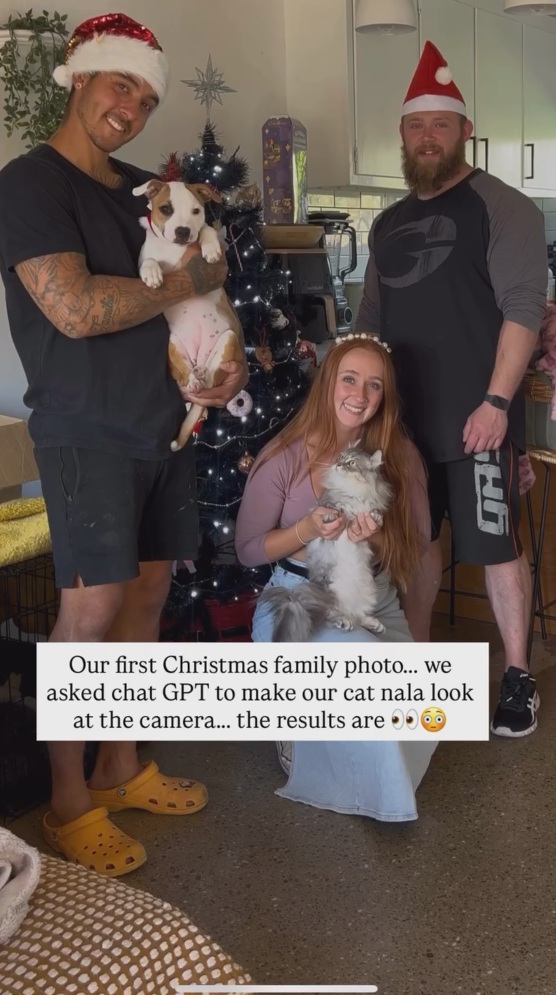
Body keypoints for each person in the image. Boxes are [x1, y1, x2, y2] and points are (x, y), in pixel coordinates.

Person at [0, 13, 248, 876]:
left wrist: (227, 363)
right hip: (86, 430)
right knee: (90, 610)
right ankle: (68, 802)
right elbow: (74, 308)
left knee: (147, 598)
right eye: (120, 85)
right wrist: (188, 279)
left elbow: (214, 287)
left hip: (163, 421)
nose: (132, 108)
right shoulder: (29, 185)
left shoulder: (149, 186)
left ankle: (120, 764)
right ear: (79, 78)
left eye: (146, 97)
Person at [355, 40, 547, 739]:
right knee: (415, 548)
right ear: (402, 134)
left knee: (496, 547)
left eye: (441, 123)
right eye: (416, 125)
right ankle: (420, 672)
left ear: (465, 130)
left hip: (477, 419)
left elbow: (523, 309)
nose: (427, 135)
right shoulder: (387, 223)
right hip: (403, 425)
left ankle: (518, 677)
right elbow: (369, 323)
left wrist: (497, 404)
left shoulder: (506, 207)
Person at [235, 334, 437, 822]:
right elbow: (247, 550)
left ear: (384, 396)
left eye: (374, 385)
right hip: (297, 600)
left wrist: (377, 536)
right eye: (349, 379)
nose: (360, 395)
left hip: (371, 600)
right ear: (328, 382)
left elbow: (417, 545)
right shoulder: (283, 455)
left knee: (412, 707)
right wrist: (304, 530)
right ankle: (297, 727)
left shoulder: (401, 456)